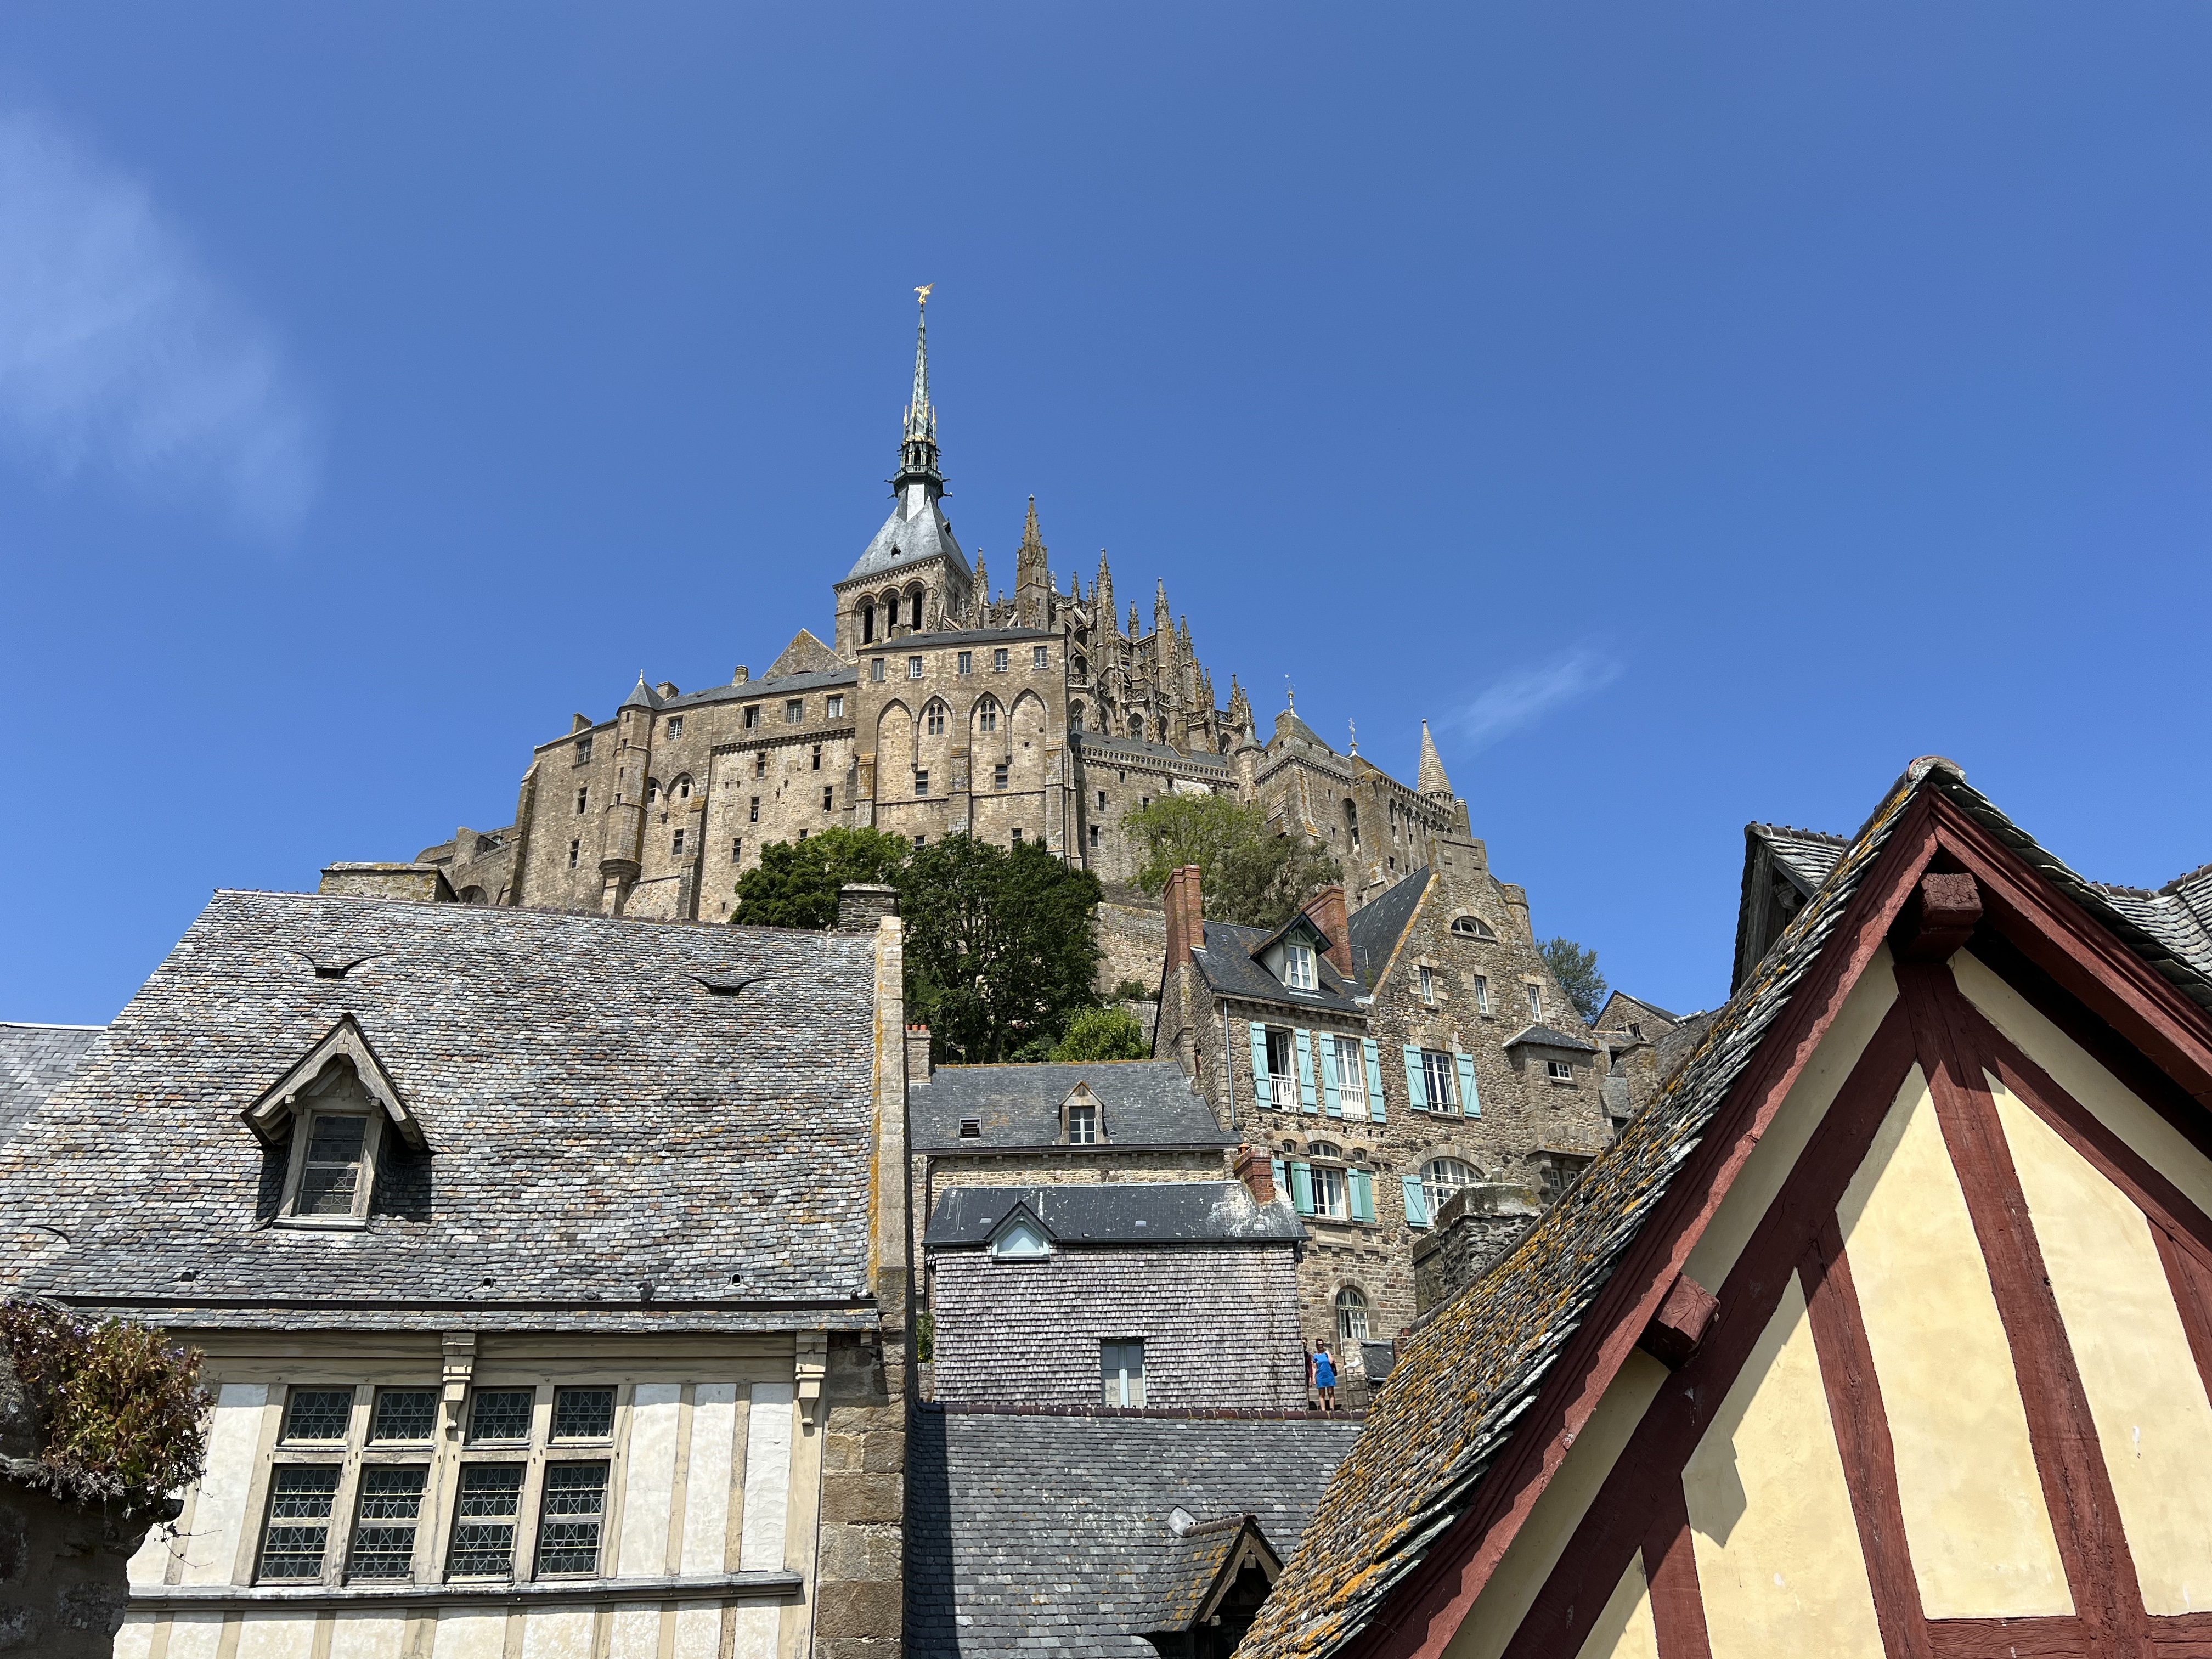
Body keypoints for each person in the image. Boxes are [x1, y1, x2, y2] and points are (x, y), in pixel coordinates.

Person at [1311, 1340, 1338, 1412]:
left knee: (1331, 1393)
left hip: (1329, 1375)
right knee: (1322, 1394)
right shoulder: (1316, 1356)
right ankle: (1323, 1410)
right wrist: (1314, 1377)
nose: (1321, 1346)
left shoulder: (1327, 1354)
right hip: (1320, 1376)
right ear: (1317, 1346)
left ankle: (1332, 1409)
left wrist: (1328, 1353)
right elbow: (1314, 1368)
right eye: (1319, 1345)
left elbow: (1331, 1362)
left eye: (1322, 1344)